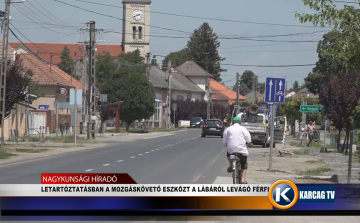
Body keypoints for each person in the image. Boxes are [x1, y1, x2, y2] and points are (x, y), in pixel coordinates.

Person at [222, 116, 253, 184]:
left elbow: (224, 141)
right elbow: (248, 139)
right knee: (244, 164)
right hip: (242, 150)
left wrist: (228, 145)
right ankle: (243, 179)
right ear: (240, 122)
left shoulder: (228, 129)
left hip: (231, 150)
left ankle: (230, 165)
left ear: (232, 123)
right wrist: (250, 144)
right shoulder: (243, 129)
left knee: (228, 154)